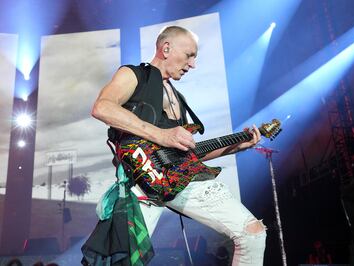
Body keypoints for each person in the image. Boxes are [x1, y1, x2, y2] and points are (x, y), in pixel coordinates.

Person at [86, 25, 266, 265]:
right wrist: (162, 135)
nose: (193, 64)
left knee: (252, 233)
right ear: (166, 48)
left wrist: (238, 146)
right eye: (190, 55)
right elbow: (103, 107)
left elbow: (186, 156)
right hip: (139, 186)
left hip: (172, 181)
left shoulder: (179, 98)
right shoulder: (134, 74)